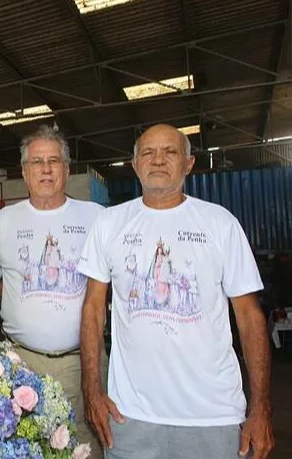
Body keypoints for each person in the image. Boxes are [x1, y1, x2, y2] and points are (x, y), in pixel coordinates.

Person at [78, 124, 274, 459]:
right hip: (130, 417)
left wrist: (261, 407)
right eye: (148, 153)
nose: (157, 160)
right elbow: (93, 310)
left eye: (169, 152)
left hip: (213, 416)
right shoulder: (109, 224)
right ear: (135, 164)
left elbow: (250, 317)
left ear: (188, 163)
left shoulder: (219, 224)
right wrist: (92, 390)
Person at [0, 125, 107, 458]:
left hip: (80, 362)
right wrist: (25, 300)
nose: (46, 169)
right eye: (37, 162)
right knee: (22, 441)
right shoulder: (4, 221)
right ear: (24, 171)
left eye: (54, 161)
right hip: (20, 361)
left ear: (67, 169)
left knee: (84, 442)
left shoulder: (95, 218)